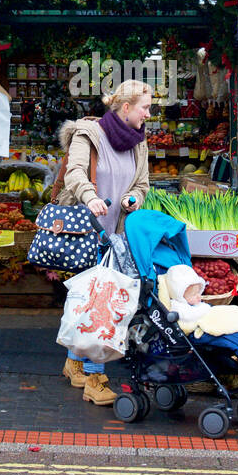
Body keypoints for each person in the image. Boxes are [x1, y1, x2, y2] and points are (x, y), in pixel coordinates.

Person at [54, 79, 152, 406]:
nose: (148, 114)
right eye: (145, 107)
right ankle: (95, 379)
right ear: (126, 108)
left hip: (116, 236)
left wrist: (132, 200)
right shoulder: (88, 135)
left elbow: (142, 184)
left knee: (91, 303)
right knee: (99, 308)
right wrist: (90, 196)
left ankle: (73, 362)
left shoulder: (139, 143)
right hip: (87, 232)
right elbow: (75, 174)